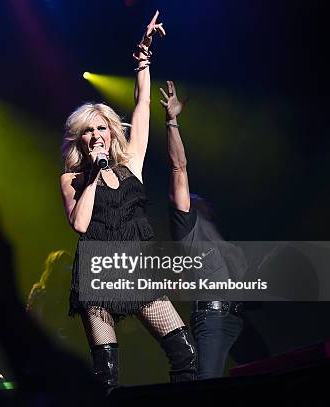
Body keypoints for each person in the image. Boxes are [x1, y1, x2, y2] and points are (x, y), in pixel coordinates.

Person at [60, 11, 196, 394]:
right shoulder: (72, 179)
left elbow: (140, 107)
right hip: (98, 270)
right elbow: (80, 225)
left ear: (111, 132)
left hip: (136, 267)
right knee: (105, 375)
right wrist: (92, 176)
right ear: (80, 141)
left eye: (101, 127)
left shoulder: (130, 164)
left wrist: (143, 61)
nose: (97, 135)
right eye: (88, 132)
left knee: (184, 354)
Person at [160, 80, 245, 379]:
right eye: (188, 196)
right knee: (206, 382)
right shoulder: (187, 224)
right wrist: (172, 121)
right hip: (211, 316)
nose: (194, 196)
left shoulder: (218, 232)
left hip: (237, 317)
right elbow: (179, 167)